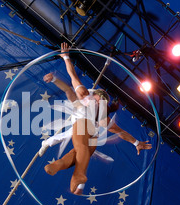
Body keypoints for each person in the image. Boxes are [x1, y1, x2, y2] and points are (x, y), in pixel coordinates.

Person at [41, 42, 152, 195]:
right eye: (101, 99)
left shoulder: (103, 117)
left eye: (105, 102)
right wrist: (66, 57)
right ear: (96, 96)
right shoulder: (84, 95)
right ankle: (79, 174)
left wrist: (136, 142)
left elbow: (120, 132)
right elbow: (72, 77)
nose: (103, 103)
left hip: (90, 134)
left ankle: (59, 166)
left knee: (86, 149)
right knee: (82, 148)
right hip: (81, 124)